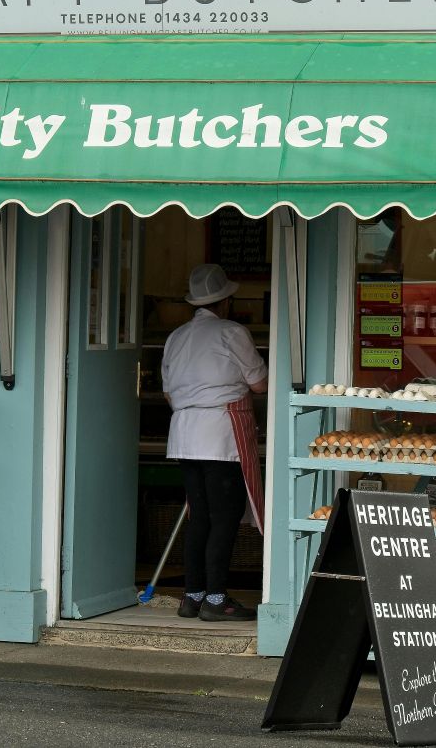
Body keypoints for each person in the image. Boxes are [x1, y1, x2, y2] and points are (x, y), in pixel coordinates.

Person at [161, 263, 268, 621]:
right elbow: (260, 383)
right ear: (225, 302)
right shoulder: (232, 332)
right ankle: (217, 598)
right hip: (221, 434)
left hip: (184, 433)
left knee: (200, 517)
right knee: (224, 517)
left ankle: (193, 596)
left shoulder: (176, 336)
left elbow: (166, 391)